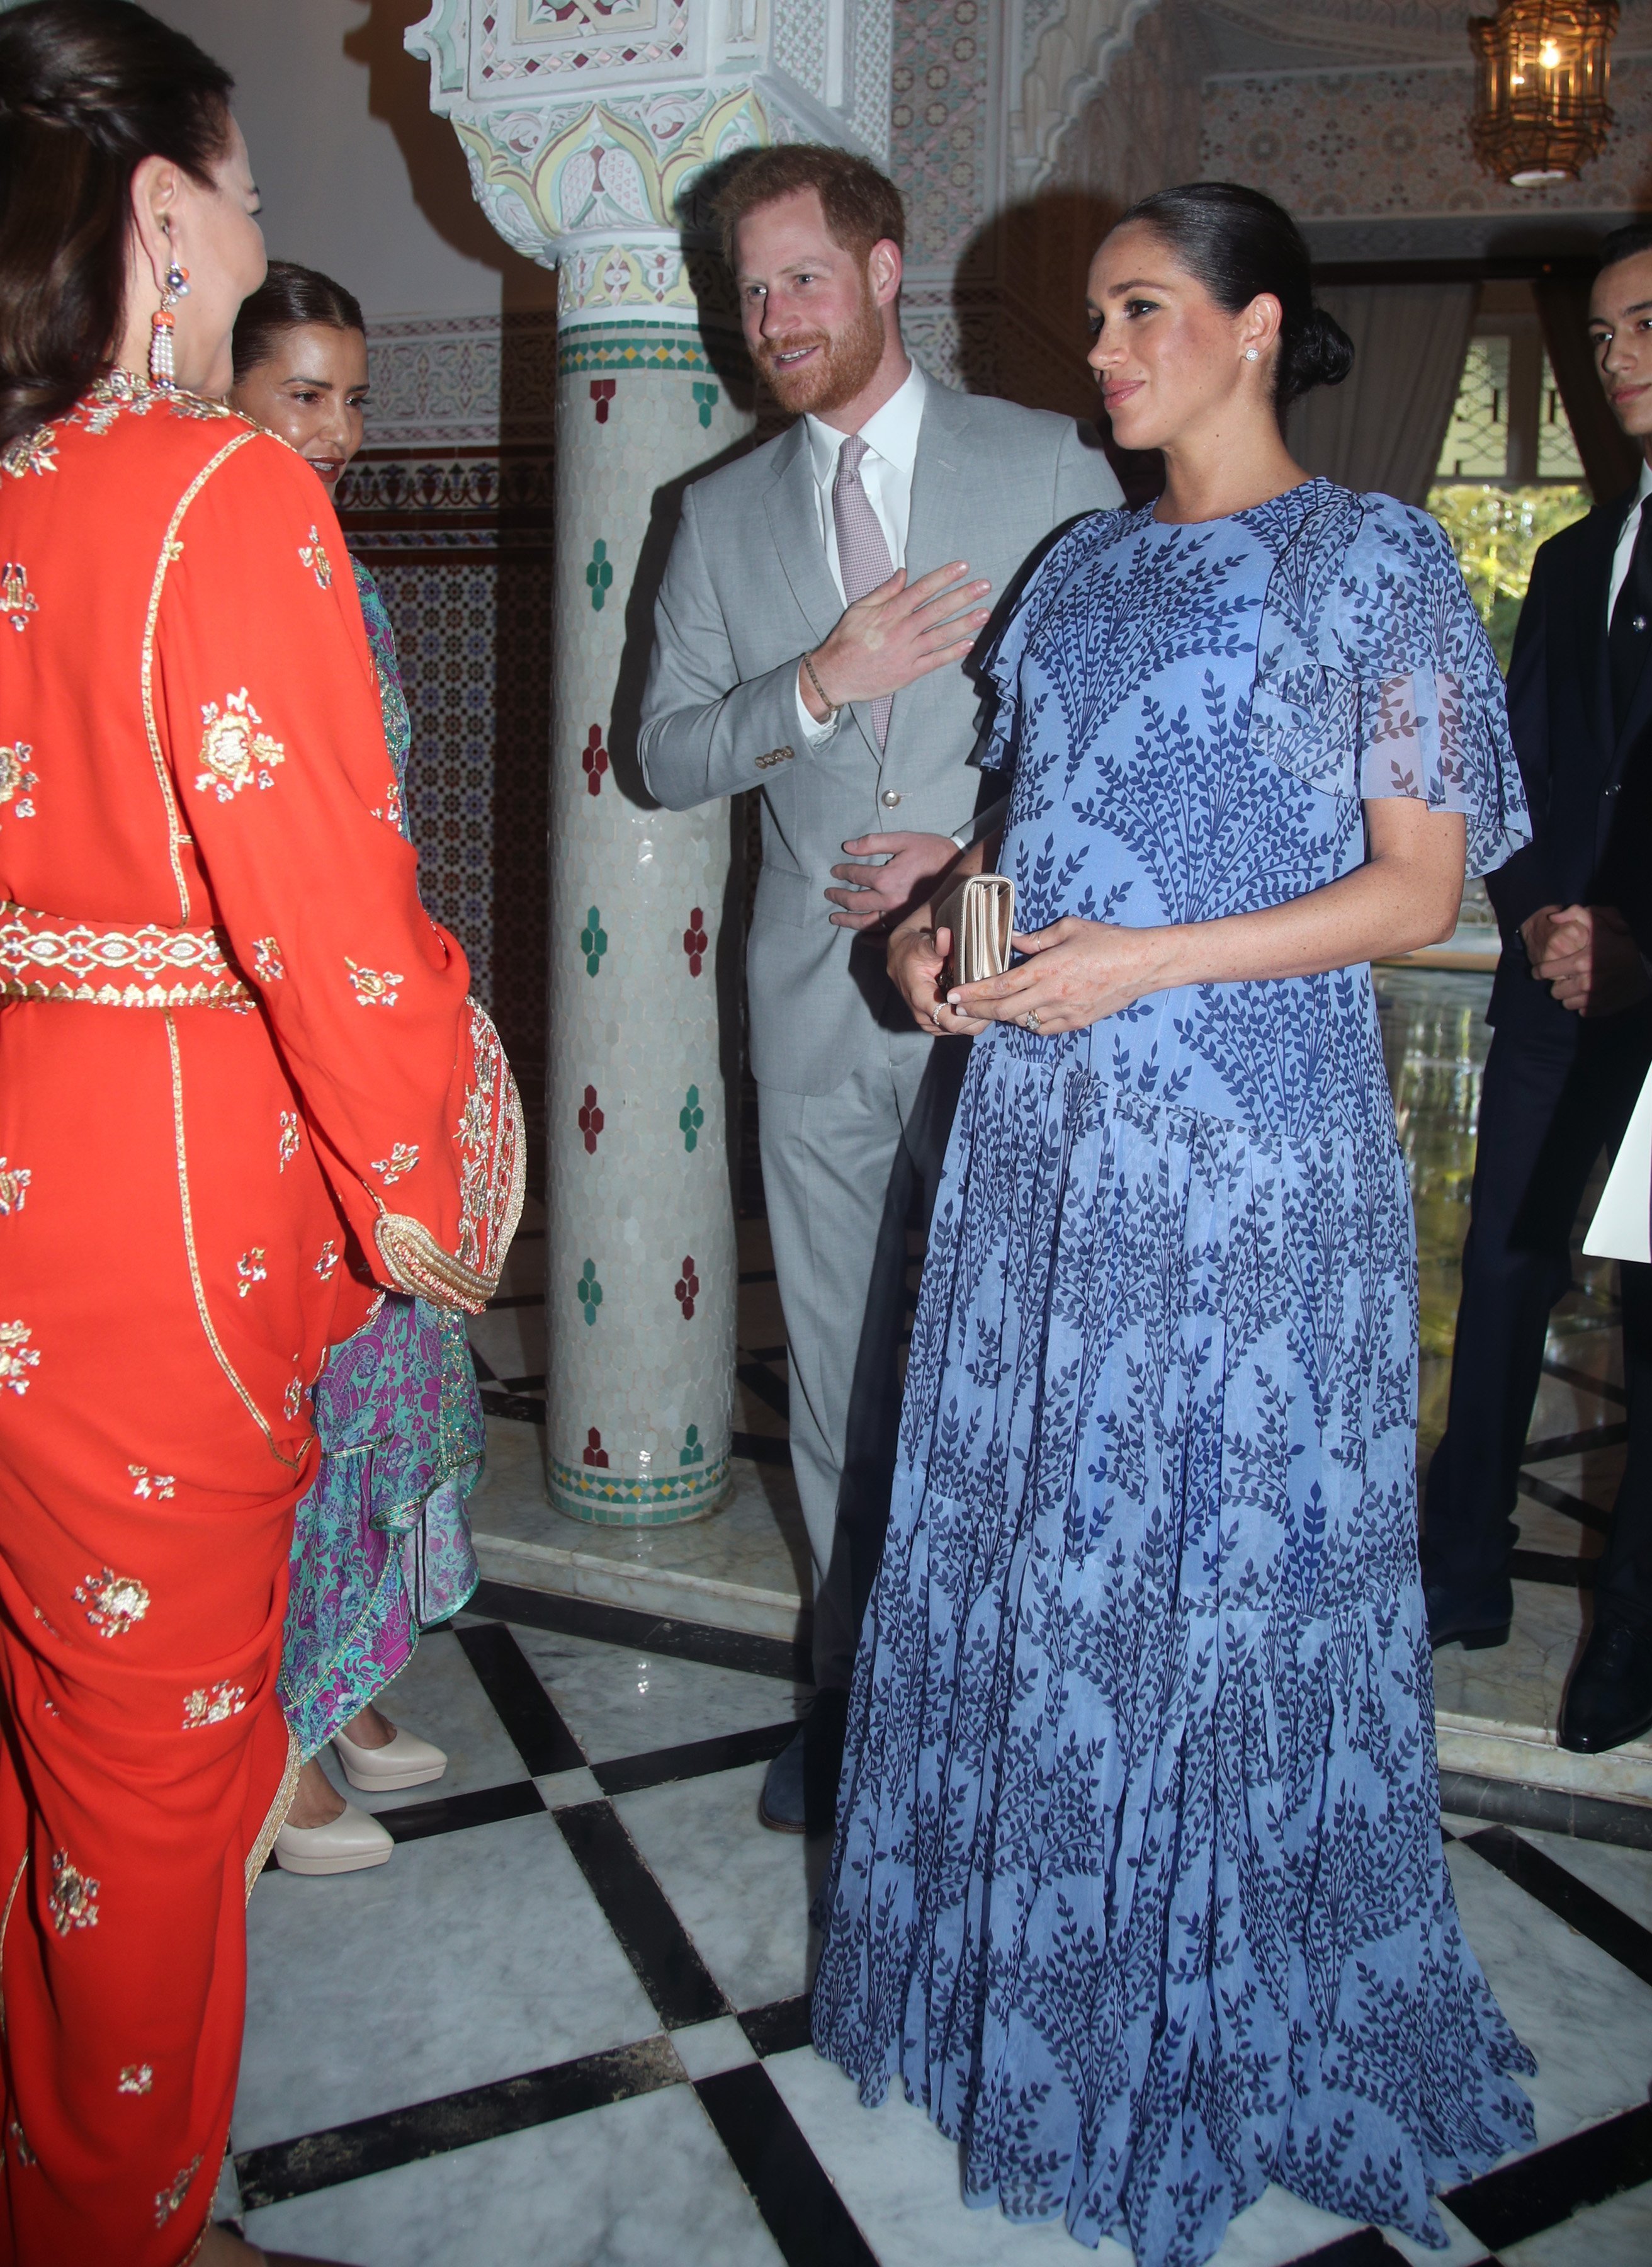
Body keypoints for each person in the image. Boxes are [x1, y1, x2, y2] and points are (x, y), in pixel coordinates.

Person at [812, 181, 1536, 2266]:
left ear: (1253, 326)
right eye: (1100, 316)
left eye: (1142, 311)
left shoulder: (1369, 562)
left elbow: (1417, 892)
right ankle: (1015, 1996)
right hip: (1039, 1148)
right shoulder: (1076, 572)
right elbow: (1018, 846)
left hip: (1246, 1167)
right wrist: (938, 949)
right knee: (1042, 1546)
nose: (1105, 349)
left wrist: (1150, 963)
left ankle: (1218, 2024)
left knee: (1203, 1580)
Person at [0, 5, 523, 2262]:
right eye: (255, 197)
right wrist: (449, 1163)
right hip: (157, 1211)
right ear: (160, 209)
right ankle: (108, 2218)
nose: (262, 242)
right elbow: (342, 937)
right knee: (144, 1775)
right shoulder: (218, 488)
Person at [638, 145, 1121, 1832]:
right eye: (750, 289)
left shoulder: (1053, 467)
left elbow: (1107, 733)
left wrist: (968, 860)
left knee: (1012, 1340)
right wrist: (819, 684)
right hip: (809, 997)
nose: (773, 317)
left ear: (887, 269)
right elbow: (663, 753)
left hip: (994, 969)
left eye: (803, 279)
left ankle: (1007, 1686)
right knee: (842, 1358)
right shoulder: (710, 515)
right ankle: (853, 1696)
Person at [229, 263, 487, 1877]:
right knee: (296, 1388)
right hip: (258, 1041)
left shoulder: (340, 569)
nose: (337, 432)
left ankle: (342, 1676)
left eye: (353, 398)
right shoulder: (206, 567)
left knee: (396, 1360)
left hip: (364, 1005)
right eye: (301, 395)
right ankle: (268, 1735)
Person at [1423, 222, 1652, 1755]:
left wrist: (1632, 938)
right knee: (1500, 1279)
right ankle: (1456, 1581)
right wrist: (1537, 922)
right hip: (1549, 990)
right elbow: (1502, 767)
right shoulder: (1576, 557)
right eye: (1608, 330)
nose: (1614, 354)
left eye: (1645, 324)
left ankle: (1628, 1654)